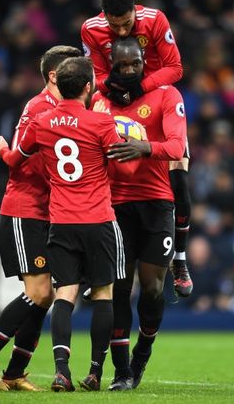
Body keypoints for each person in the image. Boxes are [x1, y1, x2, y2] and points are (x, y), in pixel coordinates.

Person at [0, 56, 141, 392]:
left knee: (64, 294)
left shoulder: (42, 121)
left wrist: (2, 150)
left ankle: (61, 372)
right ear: (88, 88)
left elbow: (15, 159)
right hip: (98, 220)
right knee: (103, 293)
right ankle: (95, 372)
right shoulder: (100, 123)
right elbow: (127, 171)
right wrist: (135, 144)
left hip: (60, 222)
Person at [0, 45, 82, 392]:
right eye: (73, 69)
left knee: (44, 296)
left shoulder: (64, 109)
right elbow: (21, 160)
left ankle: (15, 372)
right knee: (40, 292)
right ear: (54, 76)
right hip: (24, 210)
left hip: (48, 213)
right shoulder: (39, 108)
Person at [82, 0, 193, 297]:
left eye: (127, 24)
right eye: (114, 25)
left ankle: (180, 258)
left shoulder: (155, 20)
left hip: (157, 102)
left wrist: (141, 87)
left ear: (135, 11)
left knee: (179, 180)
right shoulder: (90, 29)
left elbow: (175, 68)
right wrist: (112, 87)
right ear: (105, 17)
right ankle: (96, 265)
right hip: (117, 102)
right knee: (99, 172)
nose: (121, 31)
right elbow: (94, 75)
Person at [92, 36, 187, 390]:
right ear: (111, 65)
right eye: (122, 65)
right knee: (119, 288)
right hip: (114, 205)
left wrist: (143, 148)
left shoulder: (166, 95)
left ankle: (141, 355)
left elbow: (177, 145)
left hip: (157, 203)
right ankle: (121, 372)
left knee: (152, 288)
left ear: (144, 61)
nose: (130, 70)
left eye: (135, 63)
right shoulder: (99, 102)